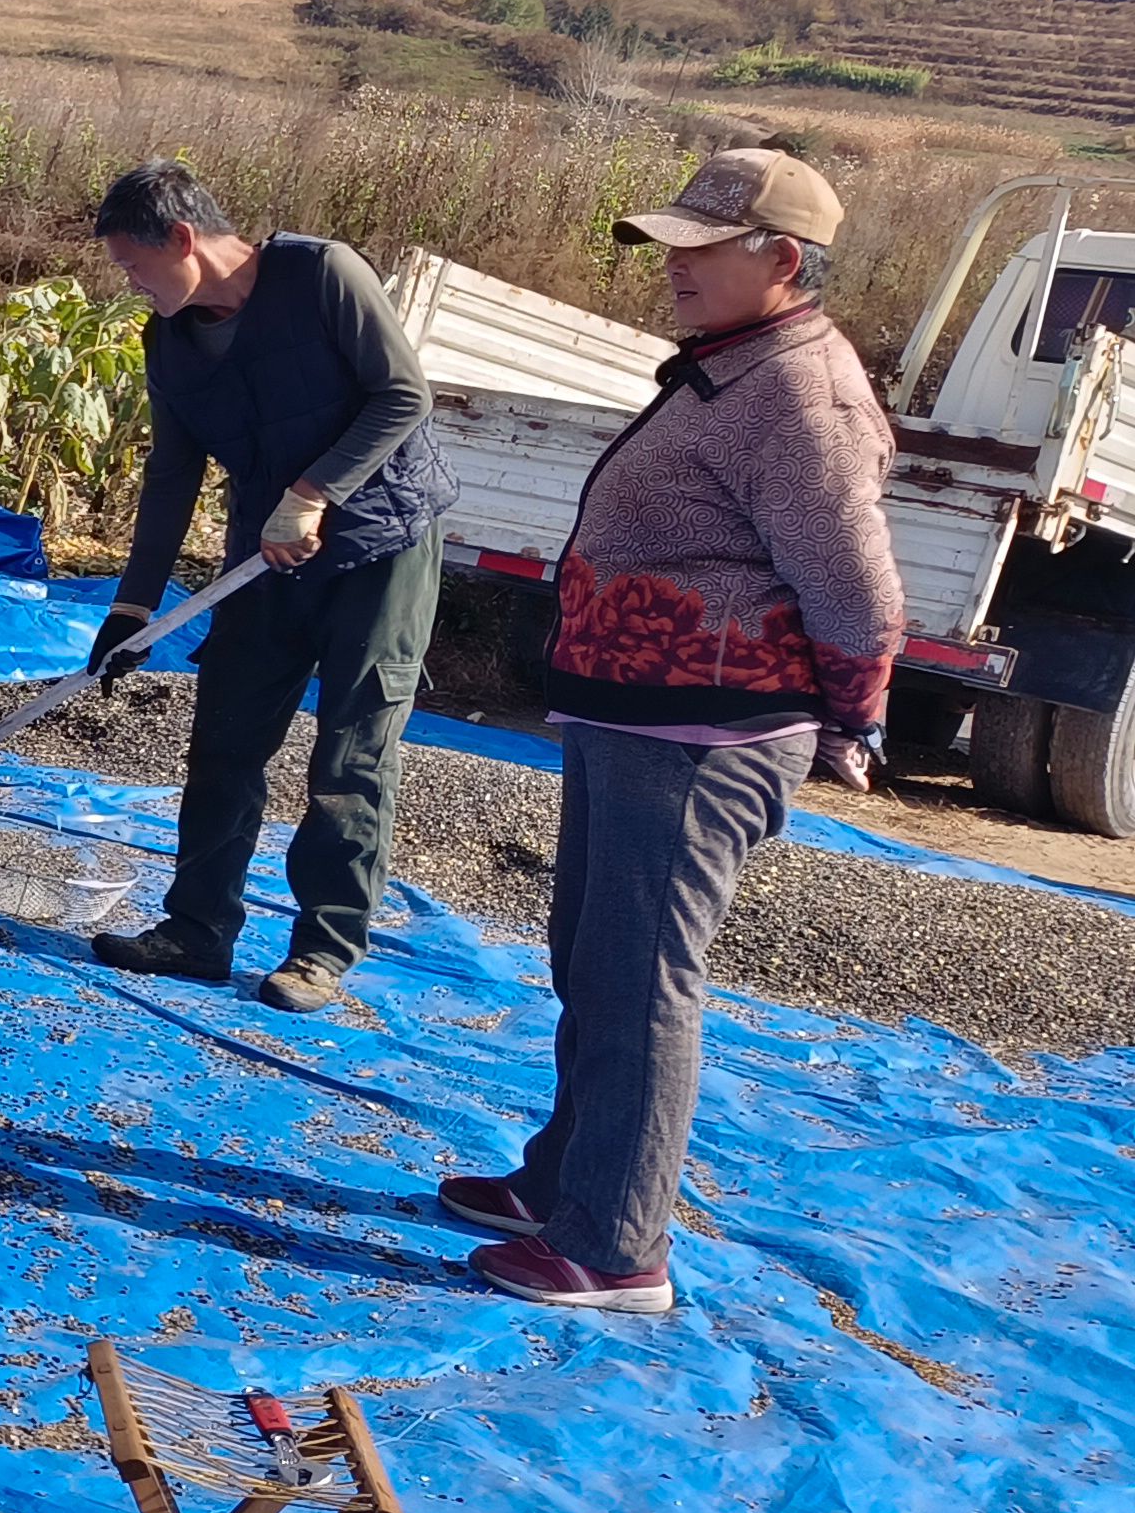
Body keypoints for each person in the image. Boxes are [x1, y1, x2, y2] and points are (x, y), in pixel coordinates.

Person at [449, 149, 900, 1315]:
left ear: (782, 261)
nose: (676, 267)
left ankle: (611, 1245)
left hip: (707, 731)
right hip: (635, 711)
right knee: (592, 962)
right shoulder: (734, 367)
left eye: (704, 249)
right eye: (673, 245)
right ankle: (565, 1183)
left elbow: (854, 587)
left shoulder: (801, 393)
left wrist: (856, 713)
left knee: (644, 980)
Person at [81, 160, 454, 1014]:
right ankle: (196, 930)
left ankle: (321, 952)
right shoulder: (168, 341)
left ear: (183, 239)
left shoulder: (322, 274)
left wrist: (315, 492)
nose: (132, 284)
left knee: (350, 756)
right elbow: (171, 475)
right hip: (265, 559)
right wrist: (132, 608)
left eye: (136, 264)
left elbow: (404, 395)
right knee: (225, 740)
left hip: (381, 544)